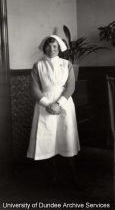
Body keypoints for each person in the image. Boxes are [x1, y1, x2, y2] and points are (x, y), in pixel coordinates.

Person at [27, 35, 81, 188]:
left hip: (64, 104)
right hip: (44, 105)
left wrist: (58, 104)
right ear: (44, 48)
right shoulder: (38, 66)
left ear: (59, 48)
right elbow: (34, 88)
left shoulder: (67, 64)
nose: (51, 49)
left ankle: (73, 176)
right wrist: (47, 104)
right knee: (48, 139)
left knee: (66, 137)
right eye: (49, 46)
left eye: (55, 46)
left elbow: (71, 86)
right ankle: (53, 176)